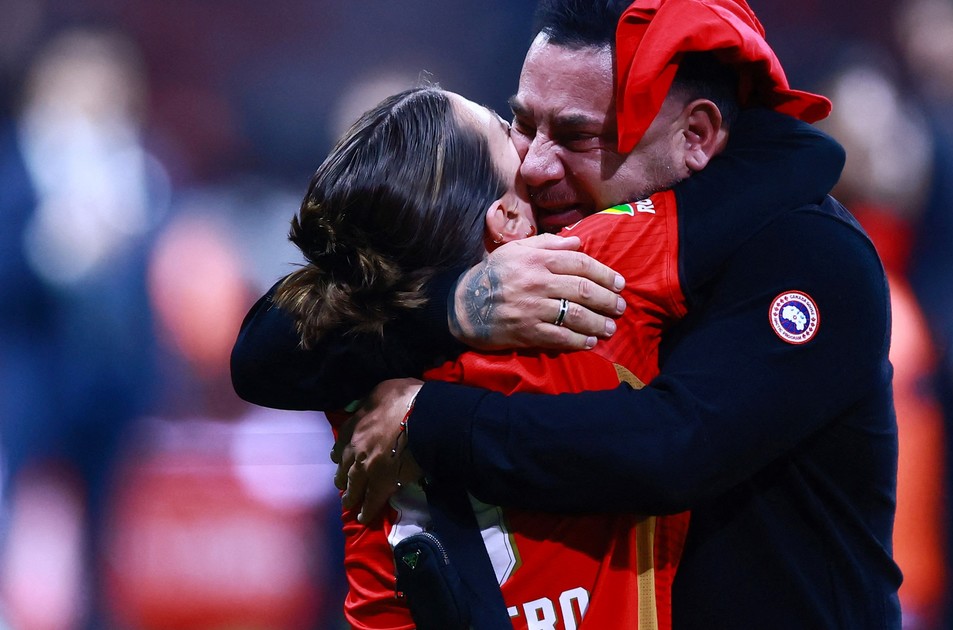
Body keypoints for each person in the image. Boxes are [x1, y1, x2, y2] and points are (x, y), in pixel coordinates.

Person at [233, 0, 900, 626]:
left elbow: (676, 446)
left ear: (695, 135)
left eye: (577, 136)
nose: (535, 164)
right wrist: (458, 307)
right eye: (523, 124)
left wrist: (426, 419)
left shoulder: (808, 252)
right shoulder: (515, 251)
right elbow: (268, 350)